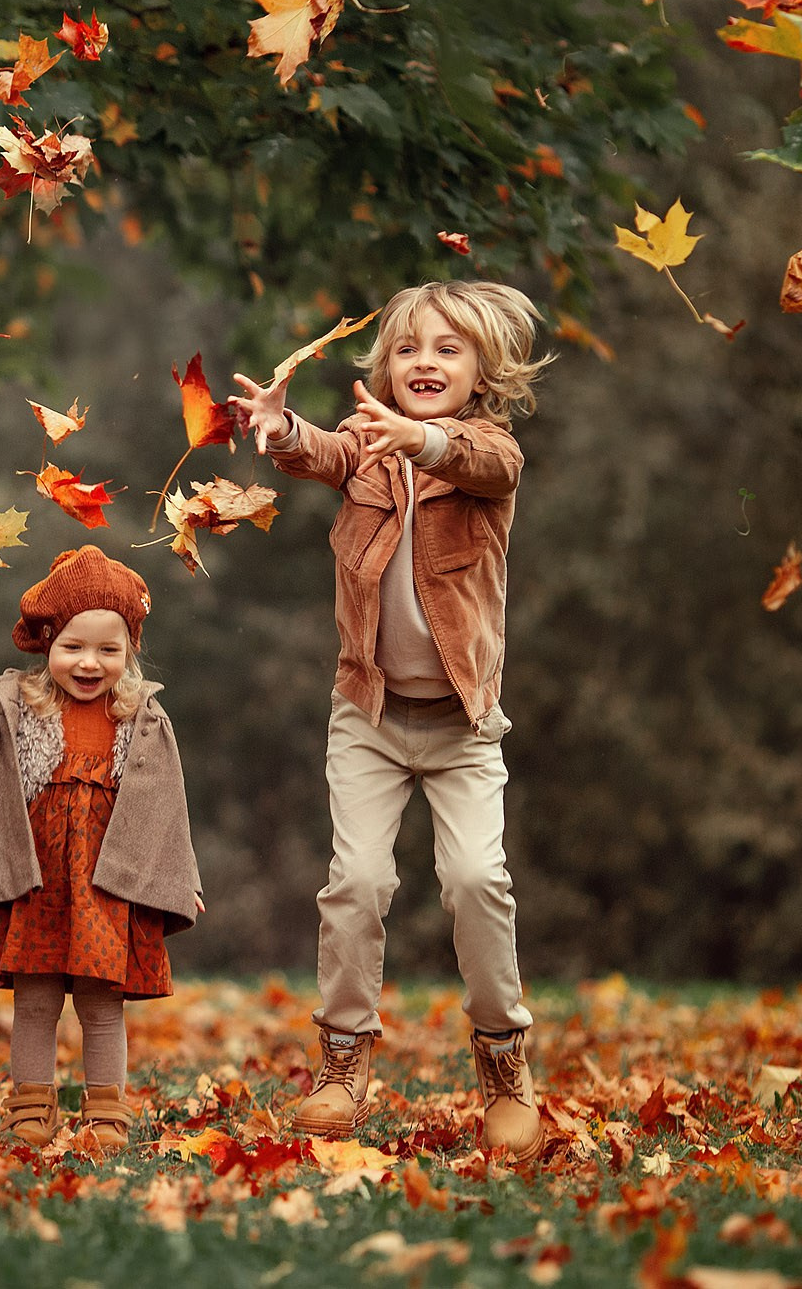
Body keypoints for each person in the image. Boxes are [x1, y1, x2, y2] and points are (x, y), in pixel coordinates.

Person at [230, 281, 552, 1162]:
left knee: (476, 880)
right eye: (409, 350)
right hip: (368, 716)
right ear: (384, 367)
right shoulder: (371, 454)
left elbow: (488, 465)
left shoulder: (488, 449)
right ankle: (342, 1062)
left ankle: (503, 1065)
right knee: (359, 882)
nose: (424, 364)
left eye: (447, 351)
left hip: (461, 727)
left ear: (483, 371)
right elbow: (323, 455)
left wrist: (425, 441)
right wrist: (282, 427)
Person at [0, 547, 203, 1151]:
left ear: (130, 652)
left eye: (108, 650)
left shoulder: (142, 720)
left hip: (107, 880)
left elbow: (165, 810)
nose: (90, 663)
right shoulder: (11, 712)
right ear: (46, 644)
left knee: (101, 1003)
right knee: (35, 1000)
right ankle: (31, 1107)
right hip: (35, 879)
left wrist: (175, 879)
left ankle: (107, 1113)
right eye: (73, 647)